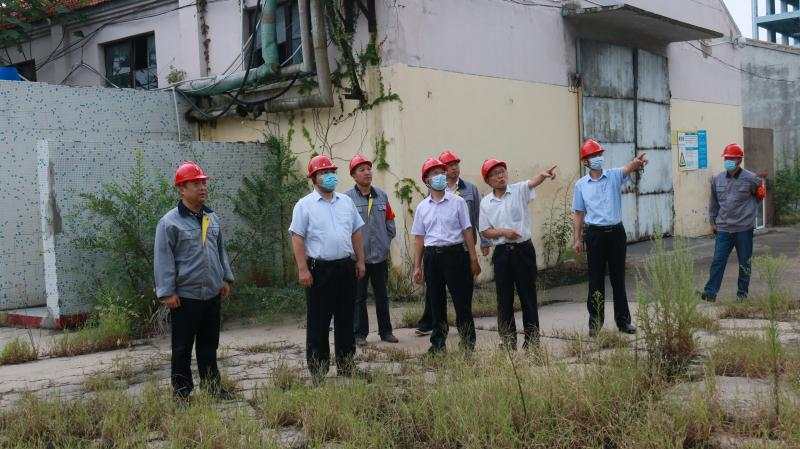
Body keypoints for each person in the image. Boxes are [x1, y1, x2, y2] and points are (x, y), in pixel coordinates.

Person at [154, 161, 235, 401]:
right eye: (196, 184)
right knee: (182, 348)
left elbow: (220, 250)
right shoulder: (169, 222)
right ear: (182, 189)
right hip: (185, 297)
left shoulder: (211, 217)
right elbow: (163, 259)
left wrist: (225, 278)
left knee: (209, 345)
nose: (202, 187)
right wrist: (167, 292)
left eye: (203, 183)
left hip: (211, 293)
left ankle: (212, 387)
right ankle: (182, 393)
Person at [289, 154, 366, 381]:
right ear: (314, 178)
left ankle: (347, 365)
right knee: (319, 322)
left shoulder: (346, 202)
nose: (329, 176)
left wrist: (360, 261)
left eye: (331, 172)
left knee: (346, 319)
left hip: (345, 267)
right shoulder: (304, 205)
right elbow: (297, 238)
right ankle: (318, 370)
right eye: (323, 173)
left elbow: (356, 232)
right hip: (319, 270)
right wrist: (302, 269)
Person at [479, 158, 557, 350]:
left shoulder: (518, 190)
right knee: (504, 299)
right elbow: (485, 231)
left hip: (523, 250)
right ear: (488, 180)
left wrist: (543, 175)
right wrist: (504, 232)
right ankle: (508, 340)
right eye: (495, 174)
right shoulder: (486, 202)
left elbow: (533, 182)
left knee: (527, 296)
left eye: (502, 171)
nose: (500, 176)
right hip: (502, 253)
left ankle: (532, 341)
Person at [572, 139, 647, 337]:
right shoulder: (581, 185)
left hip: (615, 233)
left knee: (618, 279)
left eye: (599, 154)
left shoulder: (613, 176)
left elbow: (628, 168)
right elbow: (578, 213)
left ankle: (623, 322)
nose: (598, 158)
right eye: (593, 156)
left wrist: (636, 163)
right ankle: (595, 324)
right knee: (595, 280)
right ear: (585, 162)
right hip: (594, 235)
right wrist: (577, 239)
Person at [411, 157, 481, 354]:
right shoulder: (422, 207)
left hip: (456, 255)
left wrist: (473, 258)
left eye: (442, 172)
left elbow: (467, 230)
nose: (440, 176)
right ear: (427, 180)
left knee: (462, 301)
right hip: (432, 257)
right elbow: (419, 238)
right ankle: (438, 344)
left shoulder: (458, 202)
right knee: (436, 302)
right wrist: (417, 266)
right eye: (435, 173)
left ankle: (467, 344)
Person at [700, 143, 766, 302]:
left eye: (731, 158)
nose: (728, 161)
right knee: (718, 261)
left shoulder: (751, 179)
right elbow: (714, 202)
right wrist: (713, 221)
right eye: (726, 158)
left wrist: (749, 213)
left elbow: (759, 197)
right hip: (724, 228)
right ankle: (710, 293)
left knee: (744, 263)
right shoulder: (717, 179)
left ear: (739, 160)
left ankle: (742, 295)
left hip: (743, 229)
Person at [345, 154, 399, 345]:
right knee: (358, 298)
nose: (367, 172)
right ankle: (360, 334)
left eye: (369, 169)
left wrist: (384, 242)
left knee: (382, 296)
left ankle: (386, 332)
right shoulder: (347, 199)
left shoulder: (381, 195)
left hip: (380, 257)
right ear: (353, 175)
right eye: (362, 170)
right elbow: (345, 228)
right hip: (358, 259)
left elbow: (390, 222)